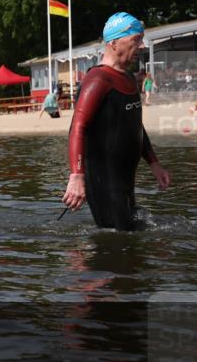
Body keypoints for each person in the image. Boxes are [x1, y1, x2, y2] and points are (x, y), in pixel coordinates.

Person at [63, 12, 171, 230]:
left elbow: (134, 126)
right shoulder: (98, 79)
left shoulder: (128, 78)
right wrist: (76, 175)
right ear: (113, 43)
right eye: (136, 40)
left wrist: (154, 163)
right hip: (103, 182)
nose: (141, 46)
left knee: (132, 237)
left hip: (125, 181)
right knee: (117, 242)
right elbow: (77, 127)